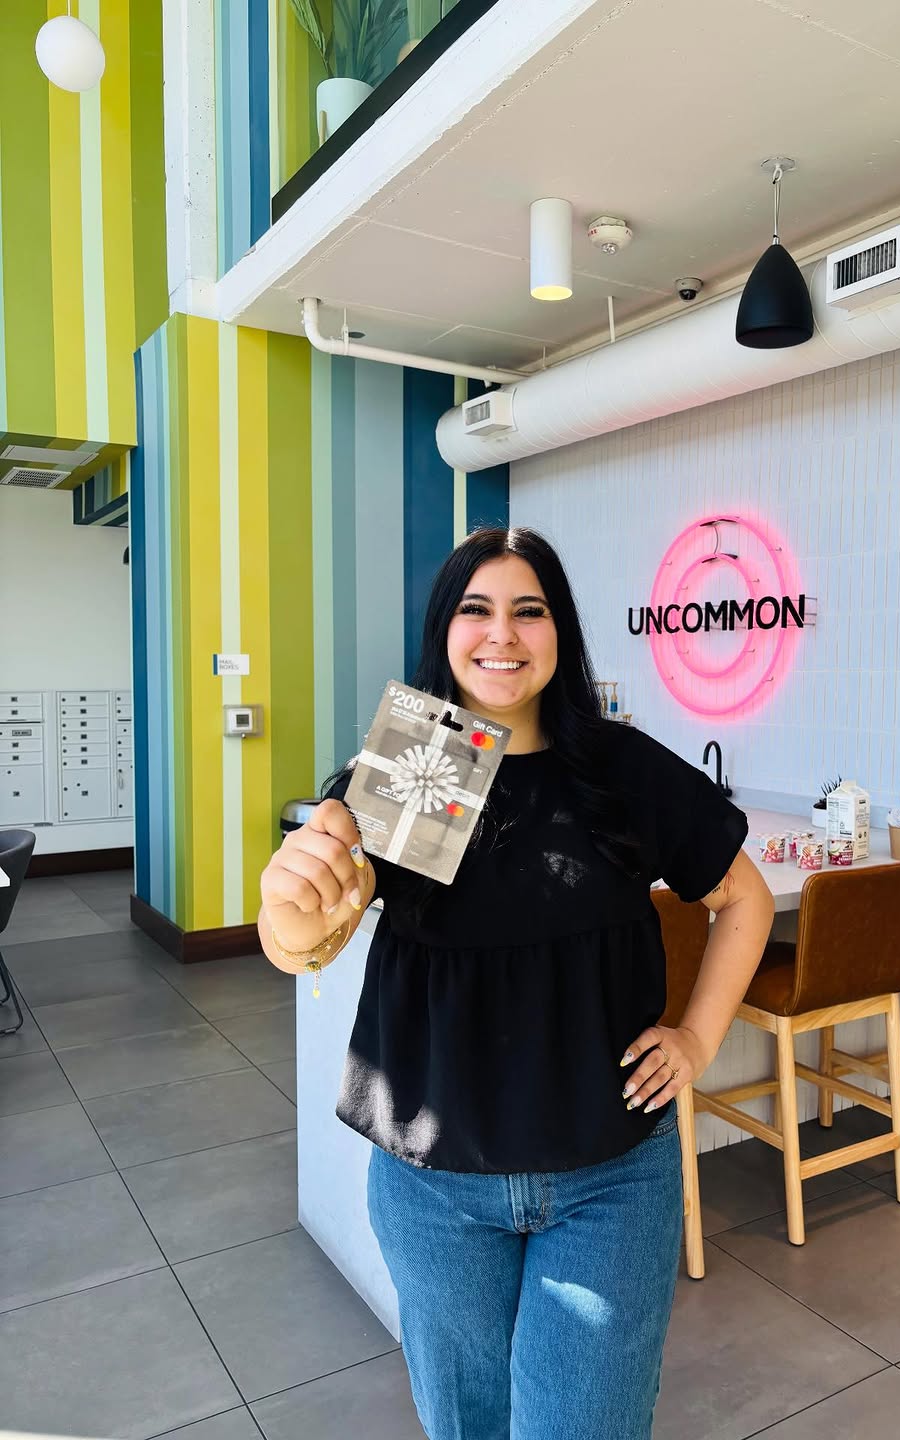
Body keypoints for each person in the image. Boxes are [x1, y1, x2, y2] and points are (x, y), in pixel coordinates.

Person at [258, 527, 774, 1440]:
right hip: (433, 1184)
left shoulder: (618, 771)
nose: (503, 633)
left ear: (560, 630)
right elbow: (309, 939)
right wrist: (288, 905)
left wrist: (697, 1038)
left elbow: (745, 898)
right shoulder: (418, 769)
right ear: (443, 630)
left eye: (528, 611)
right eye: (477, 609)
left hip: (612, 1178)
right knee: (468, 1425)